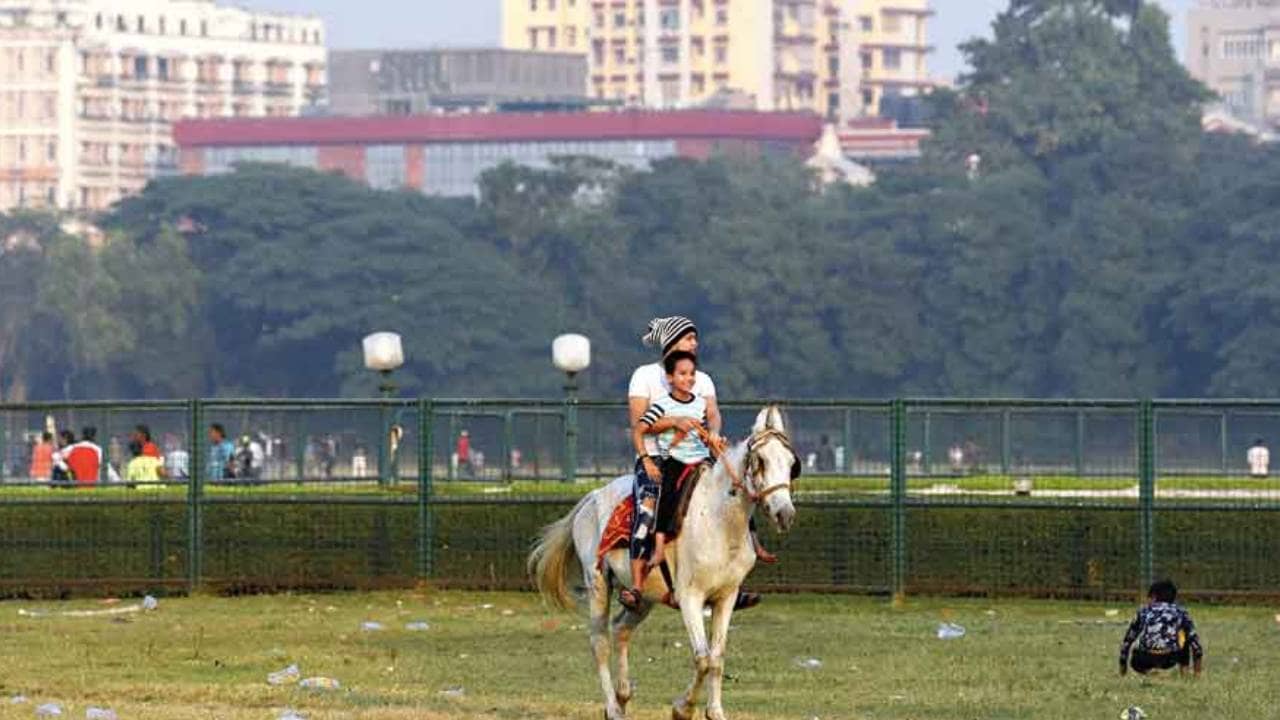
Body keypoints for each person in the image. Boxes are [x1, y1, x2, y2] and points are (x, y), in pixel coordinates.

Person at [626, 315, 768, 612]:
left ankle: (734, 577)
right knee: (646, 513)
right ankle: (637, 585)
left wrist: (713, 431)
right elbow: (639, 422)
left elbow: (713, 413)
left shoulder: (701, 379)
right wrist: (674, 422)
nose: (695, 343)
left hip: (697, 457)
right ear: (671, 342)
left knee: (737, 491)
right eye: (689, 338)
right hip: (656, 459)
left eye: (694, 338)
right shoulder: (644, 376)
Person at [621, 351, 710, 610]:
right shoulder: (662, 405)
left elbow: (703, 433)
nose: (689, 378)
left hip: (701, 461)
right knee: (665, 496)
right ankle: (657, 549)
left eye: (692, 373)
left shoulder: (700, 404)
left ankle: (751, 546)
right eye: (682, 373)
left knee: (734, 491)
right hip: (674, 460)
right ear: (670, 377)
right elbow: (639, 429)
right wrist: (647, 460)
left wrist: (713, 440)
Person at [1119, 579, 1204, 677]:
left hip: (1145, 658)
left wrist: (1123, 669)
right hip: (1170, 657)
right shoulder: (1180, 612)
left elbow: (1127, 641)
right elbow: (1195, 644)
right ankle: (1185, 673)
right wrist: (1197, 670)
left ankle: (1148, 672)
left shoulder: (1144, 611)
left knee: (1136, 655)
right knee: (1184, 637)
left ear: (1154, 597)